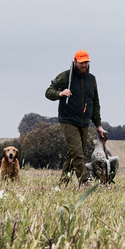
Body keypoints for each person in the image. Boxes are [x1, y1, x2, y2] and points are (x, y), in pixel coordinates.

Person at [46, 50, 107, 185]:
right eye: (81, 63)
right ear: (75, 62)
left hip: (84, 122)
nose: (84, 65)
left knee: (73, 153)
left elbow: (95, 103)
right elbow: (48, 92)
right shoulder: (64, 76)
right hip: (68, 120)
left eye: (86, 62)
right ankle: (85, 182)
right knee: (78, 152)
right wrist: (60, 93)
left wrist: (98, 125)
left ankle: (63, 183)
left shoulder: (92, 79)